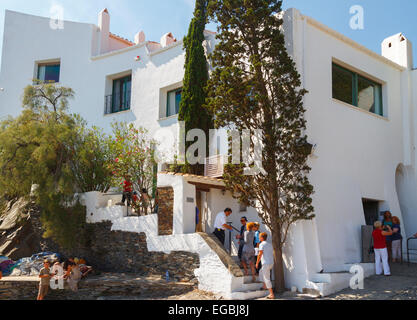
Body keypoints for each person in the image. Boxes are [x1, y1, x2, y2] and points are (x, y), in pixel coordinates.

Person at [256, 233, 275, 299]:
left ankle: (271, 294)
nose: (258, 238)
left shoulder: (261, 244)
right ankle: (264, 286)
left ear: (261, 237)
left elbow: (260, 254)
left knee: (267, 278)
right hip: (271, 263)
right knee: (261, 272)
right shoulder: (269, 244)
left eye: (259, 237)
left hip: (266, 263)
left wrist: (257, 262)